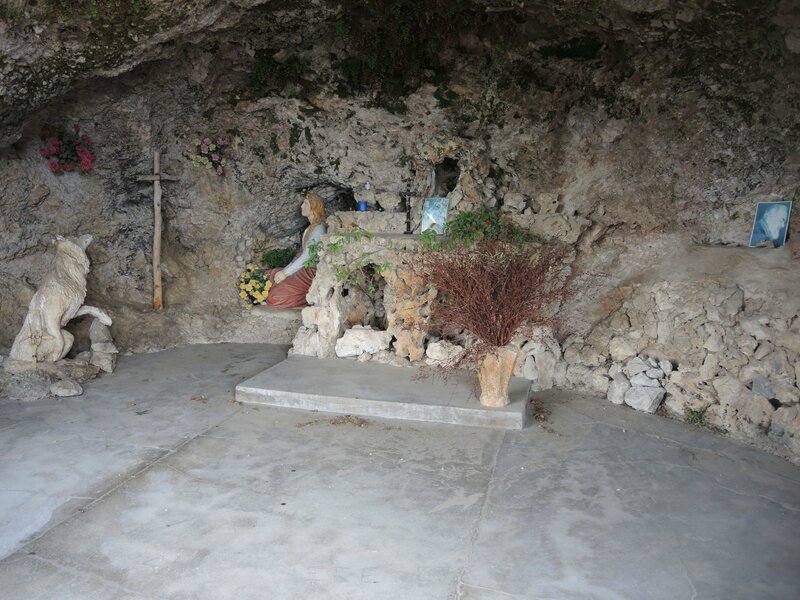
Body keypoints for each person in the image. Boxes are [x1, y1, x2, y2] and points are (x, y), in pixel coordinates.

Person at [266, 193, 327, 308]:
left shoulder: (319, 228)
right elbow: (301, 255)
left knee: (275, 297)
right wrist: (285, 270)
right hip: (303, 270)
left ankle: (308, 298)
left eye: (305, 203)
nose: (301, 206)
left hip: (310, 274)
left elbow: (307, 255)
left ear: (313, 207)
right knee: (272, 274)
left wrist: (285, 273)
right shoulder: (309, 228)